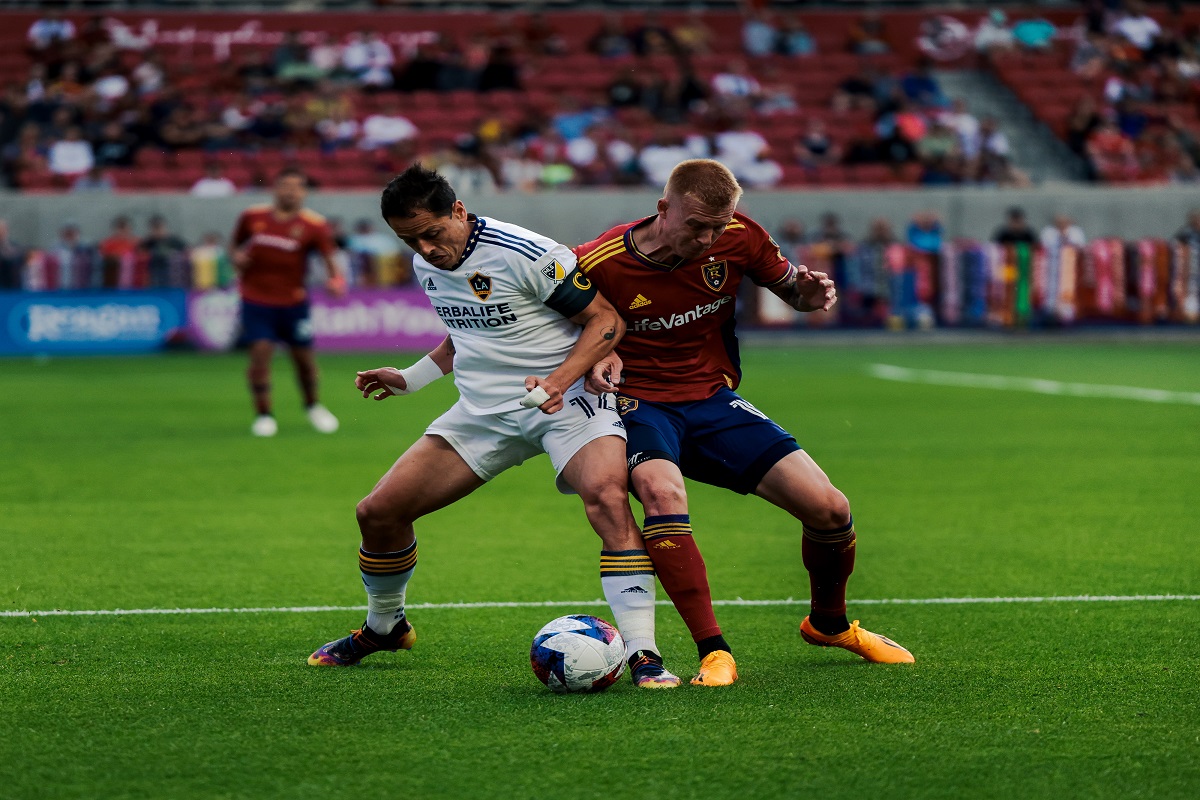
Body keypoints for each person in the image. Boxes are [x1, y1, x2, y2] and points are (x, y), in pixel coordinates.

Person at [307, 164, 680, 689]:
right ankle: (385, 626)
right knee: (379, 513)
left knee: (607, 498)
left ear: (458, 211)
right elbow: (465, 330)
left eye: (432, 233)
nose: (425, 248)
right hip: (483, 413)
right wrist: (411, 379)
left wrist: (558, 381)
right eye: (409, 239)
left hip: (567, 404)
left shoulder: (527, 254)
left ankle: (644, 653)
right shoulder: (425, 263)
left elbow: (607, 321)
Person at [573, 159, 916, 686]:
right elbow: (550, 326)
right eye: (697, 226)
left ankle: (829, 623)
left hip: (711, 399)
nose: (709, 238)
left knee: (830, 508)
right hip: (638, 404)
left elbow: (791, 294)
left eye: (719, 225)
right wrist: (591, 358)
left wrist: (809, 293)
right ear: (663, 209)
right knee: (662, 496)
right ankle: (714, 651)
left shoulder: (741, 236)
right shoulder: (597, 261)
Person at [230, 168, 345, 437]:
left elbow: (329, 258)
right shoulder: (252, 217)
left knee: (303, 360)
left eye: (296, 187)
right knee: (260, 354)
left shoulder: (313, 225)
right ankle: (264, 414)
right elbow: (235, 246)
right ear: (275, 189)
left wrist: (336, 280)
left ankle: (313, 405)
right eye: (285, 186)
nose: (290, 191)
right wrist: (236, 258)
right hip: (256, 300)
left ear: (304, 192)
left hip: (293, 303)